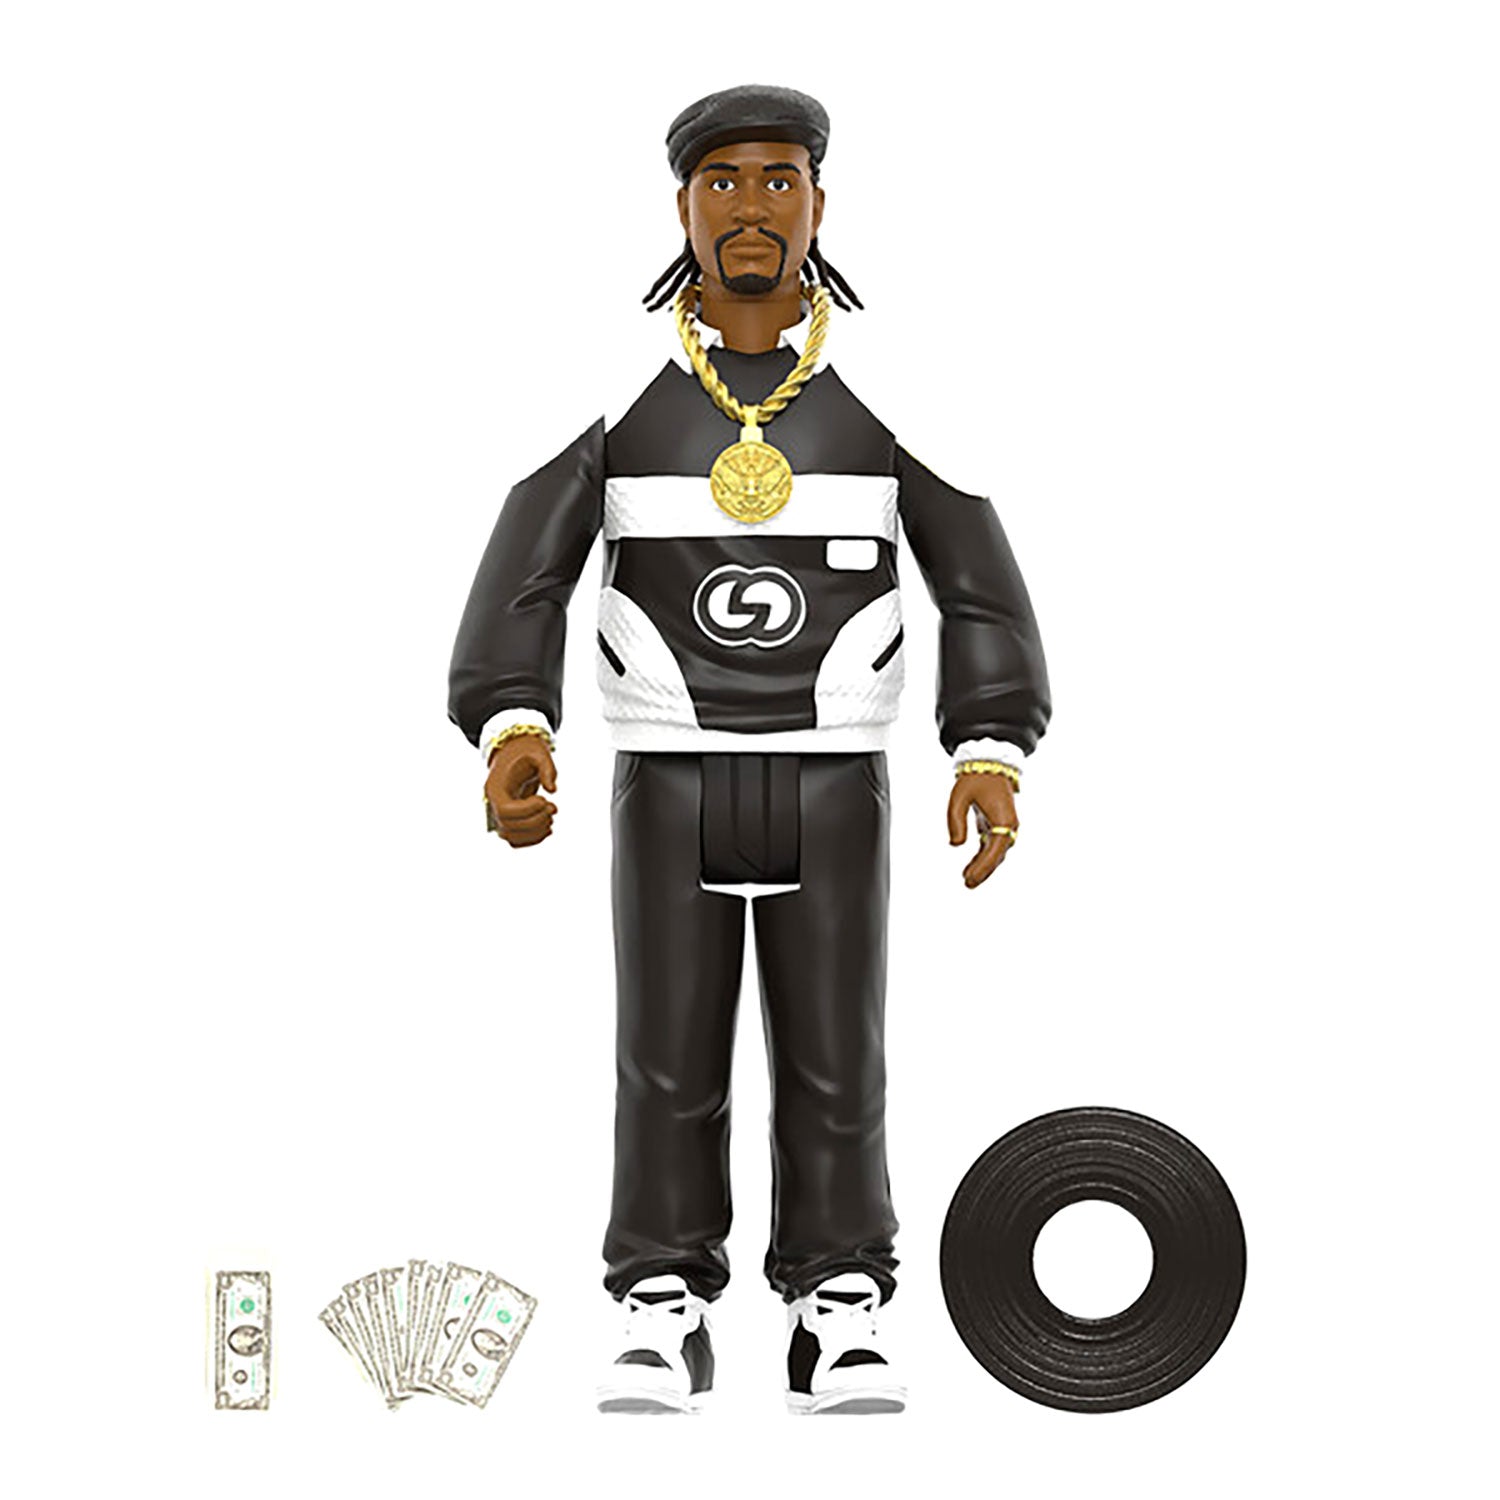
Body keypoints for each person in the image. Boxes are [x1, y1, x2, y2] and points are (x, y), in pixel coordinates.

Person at [449, 84, 1050, 1415]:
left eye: (779, 181)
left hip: (837, 771)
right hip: (666, 770)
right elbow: (528, 570)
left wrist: (989, 745)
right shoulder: (609, 387)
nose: (752, 209)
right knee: (665, 1050)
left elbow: (977, 583)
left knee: (838, 1051)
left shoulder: (898, 389)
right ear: (682, 207)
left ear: (820, 203)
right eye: (722, 183)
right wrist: (511, 721)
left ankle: (839, 1301)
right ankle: (661, 1300)